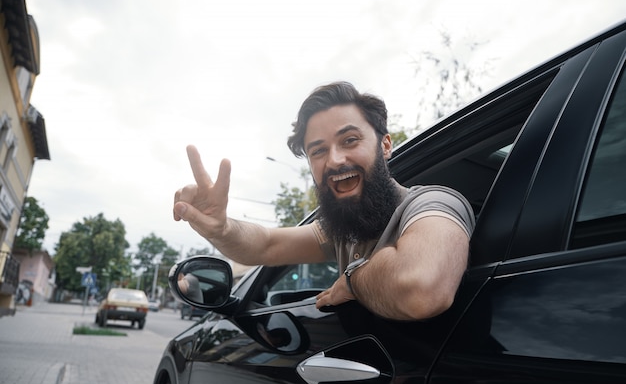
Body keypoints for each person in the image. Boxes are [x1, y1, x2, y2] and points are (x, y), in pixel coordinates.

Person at [173, 81, 475, 321]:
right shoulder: (344, 230)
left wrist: (352, 282)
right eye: (318, 151)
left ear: (384, 145)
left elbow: (421, 290)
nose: (334, 160)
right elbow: (266, 244)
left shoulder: (433, 204)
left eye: (350, 140)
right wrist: (220, 229)